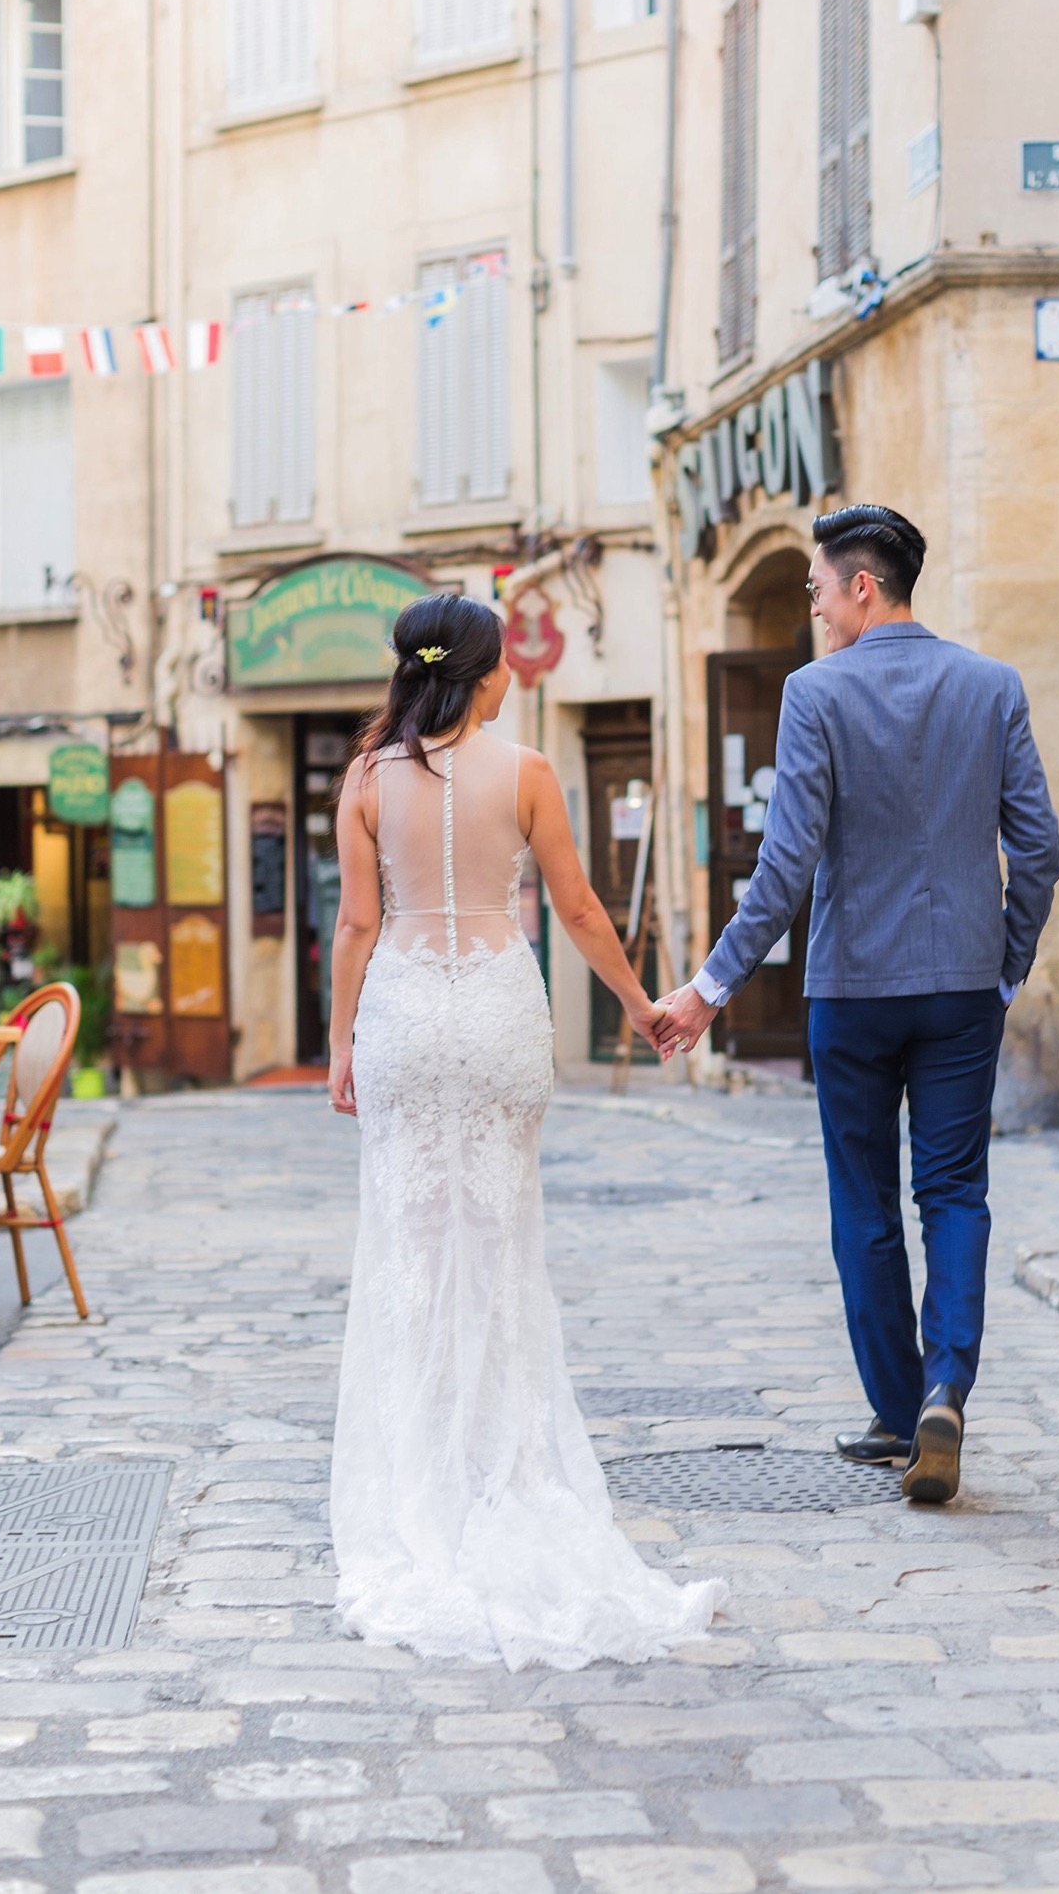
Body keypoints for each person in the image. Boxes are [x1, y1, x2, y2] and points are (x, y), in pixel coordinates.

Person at [325, 592, 724, 1668]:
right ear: (484, 674)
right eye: (503, 664)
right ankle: (506, 1473)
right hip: (499, 1009)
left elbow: (358, 923)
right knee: (500, 1250)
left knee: (413, 1252)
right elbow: (579, 908)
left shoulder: (365, 777)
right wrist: (641, 1005)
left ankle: (425, 1483)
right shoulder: (530, 772)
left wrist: (340, 1046)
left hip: (407, 1010)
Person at [655, 504, 1059, 1506]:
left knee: (864, 1202)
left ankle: (896, 1410)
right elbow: (1038, 848)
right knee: (955, 1193)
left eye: (818, 589)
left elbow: (785, 866)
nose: (815, 607)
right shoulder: (991, 686)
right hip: (963, 989)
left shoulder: (814, 695)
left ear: (862, 588)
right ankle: (942, 1394)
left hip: (853, 992)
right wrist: (1004, 965)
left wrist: (710, 989)